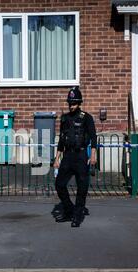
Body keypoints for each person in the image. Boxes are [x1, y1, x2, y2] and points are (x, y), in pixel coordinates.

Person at [54, 87, 97, 227]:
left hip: (81, 155)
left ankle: (77, 216)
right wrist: (57, 158)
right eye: (70, 103)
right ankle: (69, 211)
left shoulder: (87, 118)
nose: (71, 106)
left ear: (79, 103)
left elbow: (93, 137)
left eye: (74, 103)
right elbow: (61, 139)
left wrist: (93, 155)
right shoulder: (64, 118)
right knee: (59, 184)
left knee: (82, 187)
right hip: (68, 156)